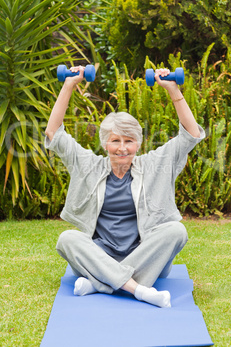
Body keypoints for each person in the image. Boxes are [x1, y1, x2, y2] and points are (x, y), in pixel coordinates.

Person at [45, 66, 205, 308]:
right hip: (101, 252)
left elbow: (191, 135)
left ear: (138, 144)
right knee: (67, 239)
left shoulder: (153, 164)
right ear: (105, 143)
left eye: (129, 141)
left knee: (177, 231)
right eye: (115, 141)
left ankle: (100, 283)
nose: (122, 148)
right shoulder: (90, 166)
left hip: (144, 253)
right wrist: (69, 85)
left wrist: (173, 89)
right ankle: (139, 289)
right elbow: (54, 133)